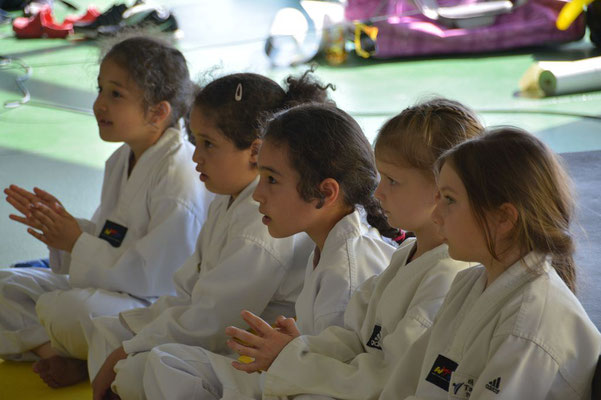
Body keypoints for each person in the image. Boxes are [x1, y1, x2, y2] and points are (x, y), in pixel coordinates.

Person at [144, 97, 483, 400]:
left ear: (442, 191)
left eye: (392, 181)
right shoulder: (405, 256)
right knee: (164, 364)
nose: (379, 193)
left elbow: (390, 376)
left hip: (346, 387)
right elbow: (352, 337)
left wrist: (294, 357)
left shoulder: (444, 274)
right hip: (321, 375)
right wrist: (298, 347)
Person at [88, 71, 334, 400]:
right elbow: (188, 292)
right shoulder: (226, 200)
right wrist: (133, 337)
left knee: (140, 367)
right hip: (215, 334)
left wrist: (129, 349)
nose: (195, 155)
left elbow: (215, 322)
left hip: (246, 350)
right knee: (105, 331)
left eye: (208, 144)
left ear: (254, 151)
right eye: (194, 140)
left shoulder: (261, 223)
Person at [0, 35, 213, 387]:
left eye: (115, 94)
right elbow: (112, 235)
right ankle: (59, 354)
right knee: (6, 285)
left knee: (66, 310)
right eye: (100, 89)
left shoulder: (179, 181)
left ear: (158, 112)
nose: (99, 104)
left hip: (156, 307)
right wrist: (67, 228)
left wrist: (76, 243)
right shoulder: (123, 158)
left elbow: (157, 280)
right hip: (112, 292)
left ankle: (79, 358)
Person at [381, 127, 601, 399]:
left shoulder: (529, 325)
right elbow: (406, 382)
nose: (435, 214)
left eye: (449, 199)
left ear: (504, 218)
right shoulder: (469, 285)